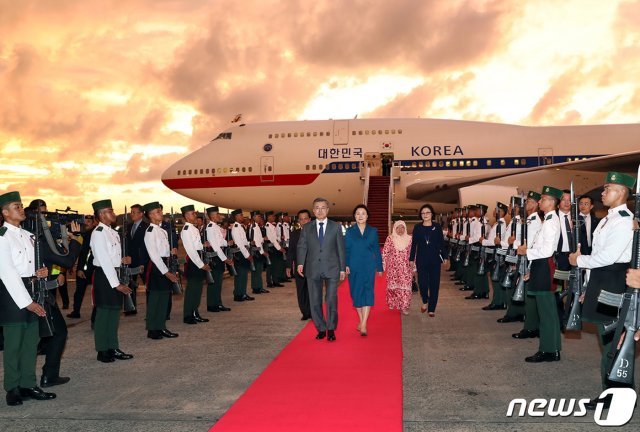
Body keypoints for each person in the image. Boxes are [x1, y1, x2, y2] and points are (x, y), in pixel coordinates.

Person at [569, 172, 635, 409]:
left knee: (614, 342)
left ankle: (618, 395)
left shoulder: (624, 220)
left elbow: (609, 257)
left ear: (622, 193)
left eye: (608, 189)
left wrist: (579, 261)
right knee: (608, 340)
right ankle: (615, 392)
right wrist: (588, 284)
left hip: (614, 281)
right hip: (602, 280)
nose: (603, 193)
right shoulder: (608, 218)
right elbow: (600, 256)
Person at [0, 191, 55, 405]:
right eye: (16, 206)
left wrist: (41, 271)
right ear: (5, 212)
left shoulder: (28, 235)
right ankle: (12, 388)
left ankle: (28, 384)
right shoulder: (3, 237)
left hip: (33, 289)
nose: (22, 209)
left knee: (32, 342)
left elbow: (32, 264)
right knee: (14, 345)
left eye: (22, 205)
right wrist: (28, 303)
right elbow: (7, 273)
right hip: (13, 294)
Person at [517, 186, 562, 363]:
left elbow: (547, 250)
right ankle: (551, 348)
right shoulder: (548, 220)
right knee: (546, 312)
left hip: (545, 267)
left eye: (543, 199)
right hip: (540, 267)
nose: (540, 202)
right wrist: (531, 269)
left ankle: (549, 350)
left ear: (551, 202)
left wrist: (526, 252)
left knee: (547, 313)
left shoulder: (551, 221)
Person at [89, 199, 134, 362]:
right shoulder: (98, 233)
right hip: (105, 276)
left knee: (114, 313)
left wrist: (123, 260)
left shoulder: (113, 232)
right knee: (104, 314)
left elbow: (113, 258)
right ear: (101, 214)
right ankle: (102, 350)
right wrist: (117, 284)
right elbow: (104, 260)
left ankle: (113, 347)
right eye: (110, 211)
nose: (113, 214)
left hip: (115, 273)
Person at [297, 197, 346, 342]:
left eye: (323, 207)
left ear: (328, 210)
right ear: (313, 211)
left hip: (332, 268)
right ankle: (321, 328)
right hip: (312, 268)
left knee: (331, 299)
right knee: (315, 300)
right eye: (317, 208)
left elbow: (341, 249)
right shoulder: (307, 228)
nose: (320, 210)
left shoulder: (336, 227)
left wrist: (342, 268)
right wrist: (300, 263)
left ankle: (331, 328)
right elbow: (302, 246)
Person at [345, 205, 383, 336]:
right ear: (354, 216)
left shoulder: (373, 231)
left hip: (368, 266)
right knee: (356, 294)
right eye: (357, 213)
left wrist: (380, 267)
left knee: (368, 293)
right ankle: (361, 321)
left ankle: (364, 324)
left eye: (363, 213)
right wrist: (345, 264)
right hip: (353, 266)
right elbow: (346, 250)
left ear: (367, 216)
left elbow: (377, 250)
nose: (360, 216)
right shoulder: (349, 232)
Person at [143, 201, 179, 339]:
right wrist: (166, 272)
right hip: (157, 266)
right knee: (155, 299)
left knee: (164, 298)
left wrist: (171, 251)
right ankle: (153, 329)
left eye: (160, 211)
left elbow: (162, 251)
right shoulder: (150, 231)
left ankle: (161, 326)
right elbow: (154, 255)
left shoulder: (162, 230)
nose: (161, 213)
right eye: (158, 212)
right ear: (151, 215)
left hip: (165, 263)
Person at [410, 204, 447, 316]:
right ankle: (425, 300)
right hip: (421, 260)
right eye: (423, 213)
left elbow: (441, 243)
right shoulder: (417, 227)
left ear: (432, 214)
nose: (425, 215)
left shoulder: (437, 227)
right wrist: (411, 259)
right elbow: (414, 244)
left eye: (427, 213)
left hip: (435, 260)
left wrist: (445, 256)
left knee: (434, 284)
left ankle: (432, 309)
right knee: (423, 283)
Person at [180, 204, 210, 324]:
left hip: (198, 259)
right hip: (194, 262)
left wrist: (203, 245)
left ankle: (194, 312)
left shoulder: (193, 228)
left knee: (197, 290)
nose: (195, 215)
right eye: (192, 213)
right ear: (187, 216)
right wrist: (201, 264)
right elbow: (191, 250)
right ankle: (188, 315)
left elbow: (196, 246)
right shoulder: (187, 230)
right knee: (192, 290)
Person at [68, 215, 97, 319]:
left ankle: (95, 316)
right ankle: (76, 311)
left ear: (94, 223)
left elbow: (86, 254)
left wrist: (80, 268)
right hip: (83, 268)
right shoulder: (83, 235)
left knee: (96, 293)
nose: (86, 223)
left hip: (91, 269)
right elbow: (78, 253)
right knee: (79, 292)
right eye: (85, 221)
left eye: (89, 221)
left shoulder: (92, 234)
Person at [204, 206, 232, 312]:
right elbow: (215, 246)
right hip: (215, 257)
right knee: (214, 282)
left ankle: (218, 303)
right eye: (216, 214)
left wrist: (227, 243)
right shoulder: (211, 227)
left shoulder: (215, 226)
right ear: (211, 216)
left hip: (219, 256)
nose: (219, 216)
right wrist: (224, 259)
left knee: (218, 282)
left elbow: (220, 241)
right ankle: (212, 305)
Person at [382, 220, 413, 315]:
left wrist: (414, 266)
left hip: (406, 268)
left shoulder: (410, 239)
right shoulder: (390, 238)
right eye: (398, 227)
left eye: (402, 227)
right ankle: (392, 303)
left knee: (405, 288)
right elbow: (385, 253)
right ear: (394, 228)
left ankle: (404, 306)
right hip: (393, 268)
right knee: (393, 287)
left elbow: (413, 253)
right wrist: (382, 265)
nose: (400, 229)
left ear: (405, 228)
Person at [286, 209, 312, 320]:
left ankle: (314, 311)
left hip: (313, 267)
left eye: (306, 219)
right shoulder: (294, 234)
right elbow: (291, 251)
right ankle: (305, 312)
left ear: (310, 220)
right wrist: (288, 266)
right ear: (298, 221)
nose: (304, 221)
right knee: (301, 291)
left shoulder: (317, 233)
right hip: (299, 268)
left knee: (312, 291)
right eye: (301, 219)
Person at [125, 204, 149, 315]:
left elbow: (145, 247)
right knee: (130, 284)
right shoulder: (128, 226)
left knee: (148, 285)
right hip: (129, 261)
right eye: (131, 212)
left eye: (134, 212)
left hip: (142, 261)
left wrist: (142, 261)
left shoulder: (146, 227)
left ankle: (151, 309)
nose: (132, 214)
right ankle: (131, 308)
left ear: (141, 214)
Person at [230, 209, 255, 302]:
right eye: (241, 215)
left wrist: (249, 242)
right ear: (236, 216)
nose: (242, 217)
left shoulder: (240, 226)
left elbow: (243, 241)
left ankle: (242, 293)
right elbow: (239, 244)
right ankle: (238, 294)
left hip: (243, 252)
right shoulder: (236, 227)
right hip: (241, 253)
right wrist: (247, 255)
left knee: (244, 275)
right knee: (241, 275)